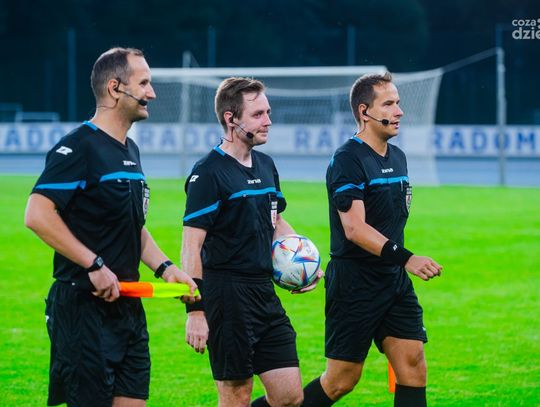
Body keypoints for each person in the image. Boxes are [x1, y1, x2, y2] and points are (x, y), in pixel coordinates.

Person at [24, 47, 199, 407]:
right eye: (144, 83)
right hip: (83, 308)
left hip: (128, 308)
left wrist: (167, 268)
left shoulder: (130, 150)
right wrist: (94, 264)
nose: (152, 93)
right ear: (115, 88)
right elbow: (37, 214)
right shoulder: (78, 147)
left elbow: (132, 225)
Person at [302, 72, 443, 407]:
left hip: (392, 281)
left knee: (413, 365)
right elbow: (355, 229)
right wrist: (407, 258)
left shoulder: (398, 157)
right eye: (389, 104)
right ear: (364, 112)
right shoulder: (348, 159)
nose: (399, 111)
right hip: (355, 283)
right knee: (342, 380)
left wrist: (398, 265)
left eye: (398, 103)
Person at [181, 77, 321, 407]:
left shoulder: (266, 165)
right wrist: (195, 311)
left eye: (268, 112)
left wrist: (304, 262)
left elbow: (275, 221)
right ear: (231, 119)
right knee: (236, 393)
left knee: (289, 396)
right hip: (226, 295)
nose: (268, 120)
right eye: (258, 114)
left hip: (263, 292)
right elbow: (191, 246)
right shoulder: (208, 173)